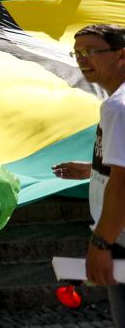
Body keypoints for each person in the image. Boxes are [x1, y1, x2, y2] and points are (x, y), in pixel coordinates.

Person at [52, 24, 125, 325]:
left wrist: (100, 244)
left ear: (121, 55)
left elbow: (123, 183)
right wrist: (94, 169)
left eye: (91, 51)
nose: (82, 59)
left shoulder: (118, 106)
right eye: (77, 52)